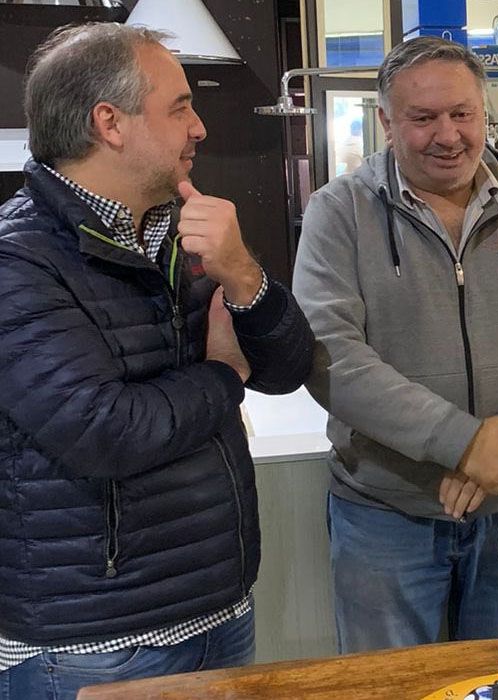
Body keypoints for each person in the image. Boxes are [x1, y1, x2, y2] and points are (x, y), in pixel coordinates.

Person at [0, 23, 314, 698]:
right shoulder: (17, 261)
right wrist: (225, 375)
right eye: (178, 107)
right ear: (109, 123)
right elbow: (106, 430)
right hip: (96, 644)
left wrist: (242, 274)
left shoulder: (182, 228)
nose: (198, 128)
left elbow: (288, 369)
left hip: (216, 610)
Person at [292, 37, 498, 653]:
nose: (449, 135)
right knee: (389, 691)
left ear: (484, 111)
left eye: (462, 113)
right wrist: (463, 443)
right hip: (386, 516)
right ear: (386, 121)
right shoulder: (338, 213)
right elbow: (329, 354)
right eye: (423, 118)